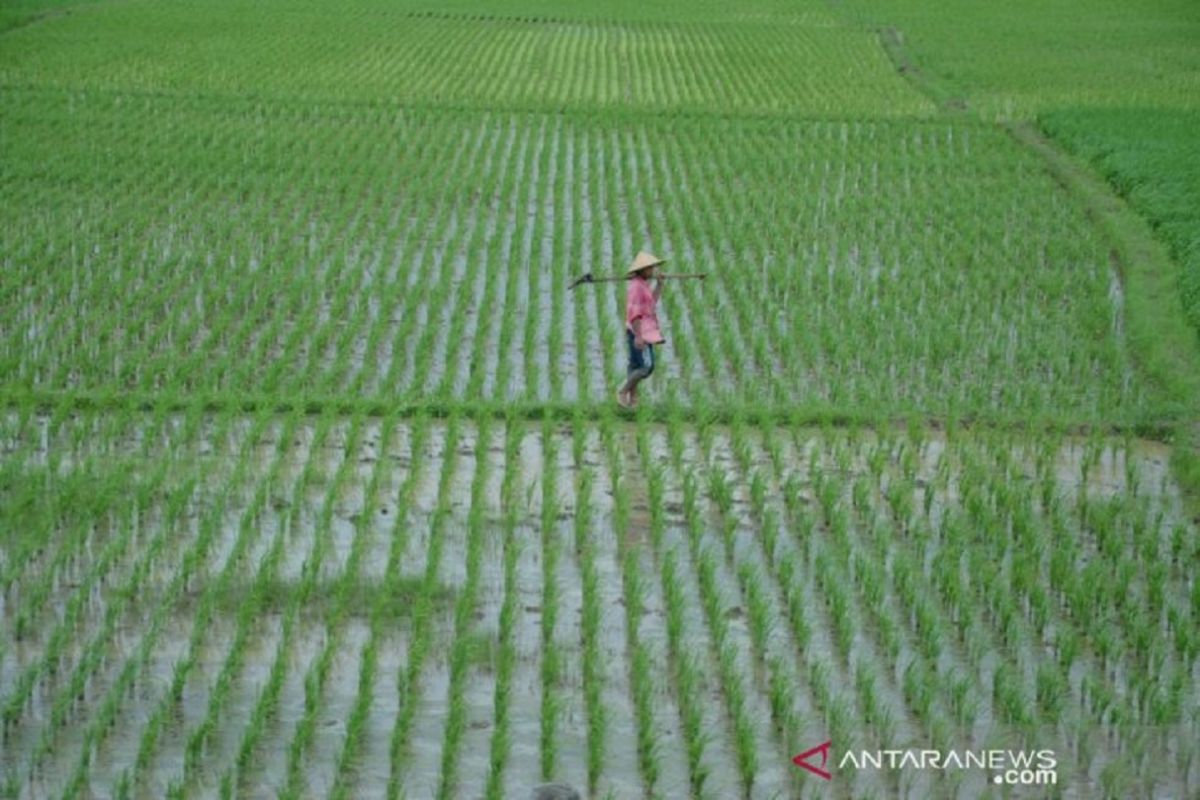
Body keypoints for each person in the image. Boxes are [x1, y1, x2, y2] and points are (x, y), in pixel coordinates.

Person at [617, 251, 666, 409]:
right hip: (640, 332)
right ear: (643, 269)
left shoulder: (641, 284)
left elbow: (650, 305)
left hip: (644, 331)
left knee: (635, 365)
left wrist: (659, 285)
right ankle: (623, 391)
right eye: (650, 268)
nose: (653, 271)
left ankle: (633, 400)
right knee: (646, 367)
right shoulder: (636, 287)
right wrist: (638, 336)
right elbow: (635, 314)